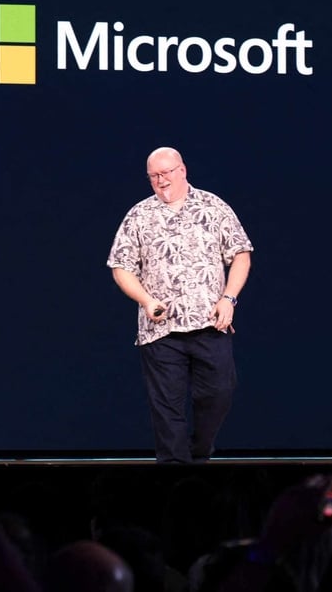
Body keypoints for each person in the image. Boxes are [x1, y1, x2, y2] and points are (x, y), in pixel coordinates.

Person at [107, 146, 253, 464]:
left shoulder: (213, 207)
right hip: (161, 329)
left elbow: (241, 253)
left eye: (166, 173)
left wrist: (228, 298)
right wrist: (146, 300)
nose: (161, 181)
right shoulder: (139, 215)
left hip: (210, 322)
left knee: (219, 393)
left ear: (182, 170)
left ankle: (199, 450)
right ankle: (175, 466)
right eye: (154, 176)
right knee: (166, 409)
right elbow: (120, 266)